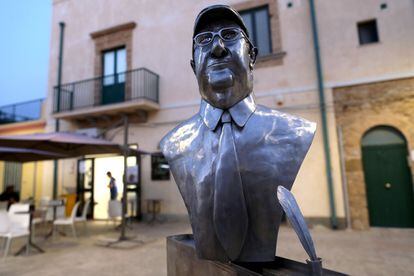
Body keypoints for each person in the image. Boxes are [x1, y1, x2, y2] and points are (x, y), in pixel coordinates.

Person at [160, 5, 316, 262]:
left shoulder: (294, 132)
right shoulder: (174, 143)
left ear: (252, 55)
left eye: (230, 35)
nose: (217, 47)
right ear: (192, 66)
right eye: (204, 40)